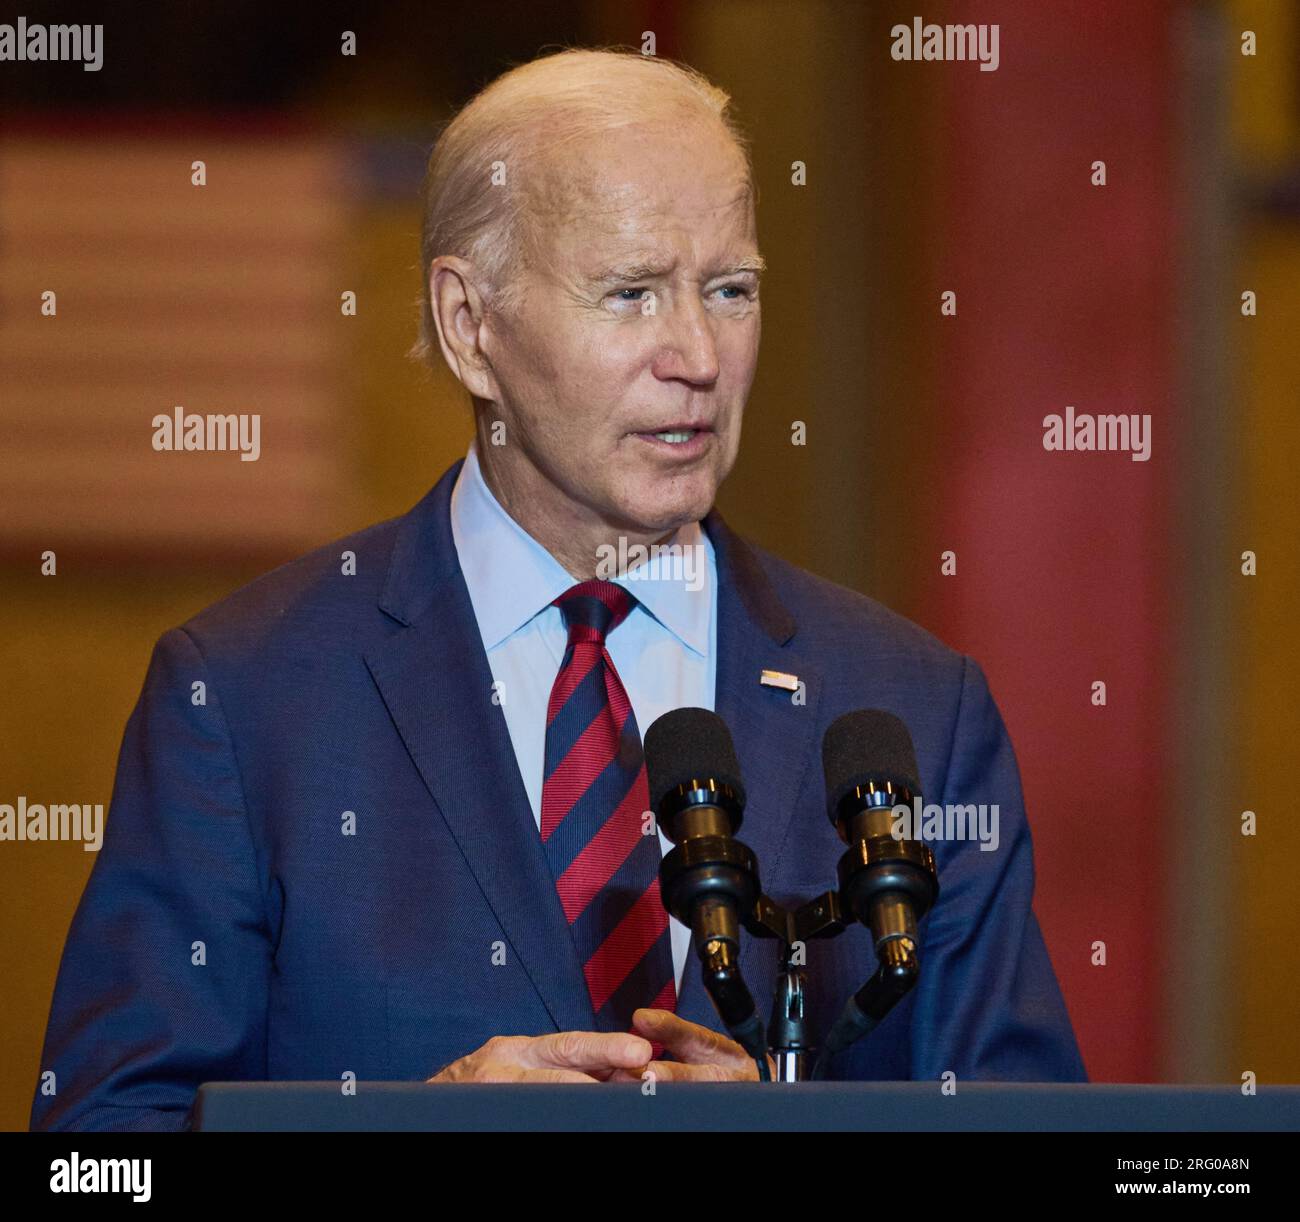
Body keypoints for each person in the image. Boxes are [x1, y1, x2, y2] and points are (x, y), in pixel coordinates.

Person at [32, 47, 1085, 1132]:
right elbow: (95, 1154)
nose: (697, 354)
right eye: (630, 294)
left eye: (730, 290)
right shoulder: (246, 703)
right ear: (469, 324)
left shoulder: (911, 709)